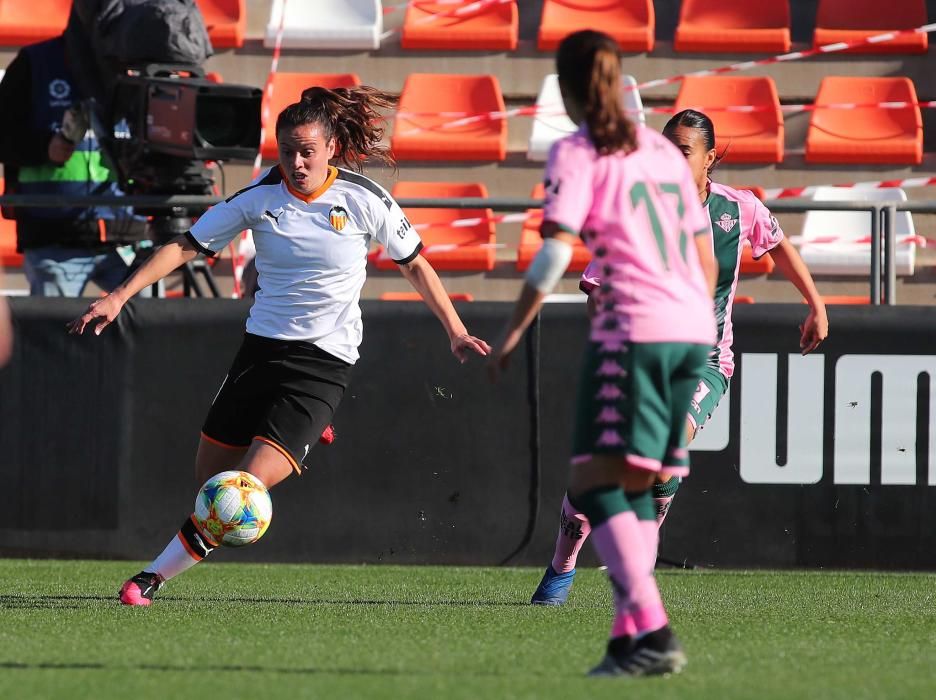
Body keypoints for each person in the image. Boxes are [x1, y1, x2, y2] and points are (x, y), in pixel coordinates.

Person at [69, 85, 491, 605]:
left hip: (323, 363)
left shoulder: (365, 199)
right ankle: (311, 430)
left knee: (237, 494)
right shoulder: (259, 197)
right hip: (261, 352)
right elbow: (186, 245)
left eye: (308, 151)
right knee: (209, 485)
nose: (297, 162)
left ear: (332, 147)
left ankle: (149, 579)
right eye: (288, 151)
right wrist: (118, 297)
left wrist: (455, 330)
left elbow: (415, 265)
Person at [530, 108, 830, 607]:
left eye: (683, 150)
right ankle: (562, 567)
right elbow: (596, 291)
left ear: (709, 158)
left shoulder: (740, 209)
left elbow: (779, 247)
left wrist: (816, 304)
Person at [488, 31, 717, 677]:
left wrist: (510, 331)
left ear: (566, 87)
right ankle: (628, 639)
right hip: (690, 329)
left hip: (635, 328)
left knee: (592, 482)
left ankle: (656, 631)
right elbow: (702, 257)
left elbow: (558, 251)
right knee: (637, 486)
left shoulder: (577, 151)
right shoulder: (662, 152)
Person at [0, 32, 148, 297]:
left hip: (128, 236)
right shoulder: (35, 62)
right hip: (54, 236)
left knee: (149, 332)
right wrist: (44, 148)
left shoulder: (137, 60)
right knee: (53, 337)